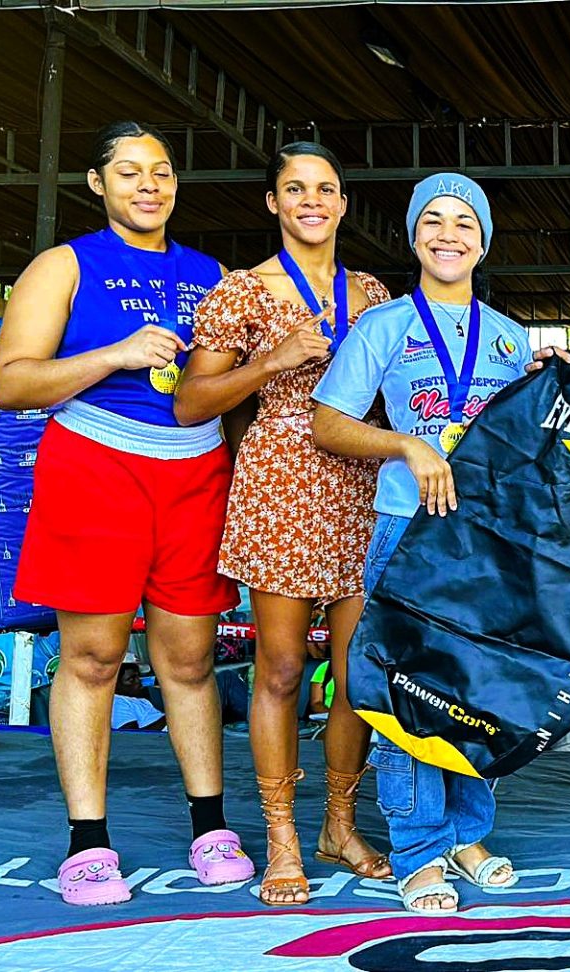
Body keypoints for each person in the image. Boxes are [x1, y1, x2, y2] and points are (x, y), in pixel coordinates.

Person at [0, 121, 253, 906]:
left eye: (163, 171)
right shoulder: (64, 264)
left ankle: (211, 827)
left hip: (196, 469)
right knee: (94, 659)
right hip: (97, 465)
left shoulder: (213, 273)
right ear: (97, 184)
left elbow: (233, 392)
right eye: (131, 172)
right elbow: (10, 383)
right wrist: (114, 355)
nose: (150, 184)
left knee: (189, 660)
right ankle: (88, 843)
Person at [176, 141, 394, 906]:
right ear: (273, 203)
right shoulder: (241, 290)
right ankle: (281, 836)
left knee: (358, 676)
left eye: (326, 189)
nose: (312, 200)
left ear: (342, 204)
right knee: (279, 670)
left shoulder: (370, 289)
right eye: (295, 189)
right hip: (280, 485)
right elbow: (192, 403)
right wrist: (272, 359)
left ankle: (340, 822)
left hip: (363, 487)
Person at [312, 172, 529, 914]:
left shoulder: (509, 336)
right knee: (406, 696)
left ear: (483, 241)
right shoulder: (384, 327)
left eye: (464, 224)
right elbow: (328, 422)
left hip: (483, 539)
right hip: (406, 530)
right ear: (413, 237)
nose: (448, 235)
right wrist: (407, 445)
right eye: (433, 220)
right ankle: (417, 848)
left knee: (477, 695)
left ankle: (469, 833)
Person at [111, 663, 166, 731]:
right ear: (116, 684)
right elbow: (132, 736)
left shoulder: (139, 700)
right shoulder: (118, 703)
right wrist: (169, 718)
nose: (138, 681)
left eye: (138, 677)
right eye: (131, 679)